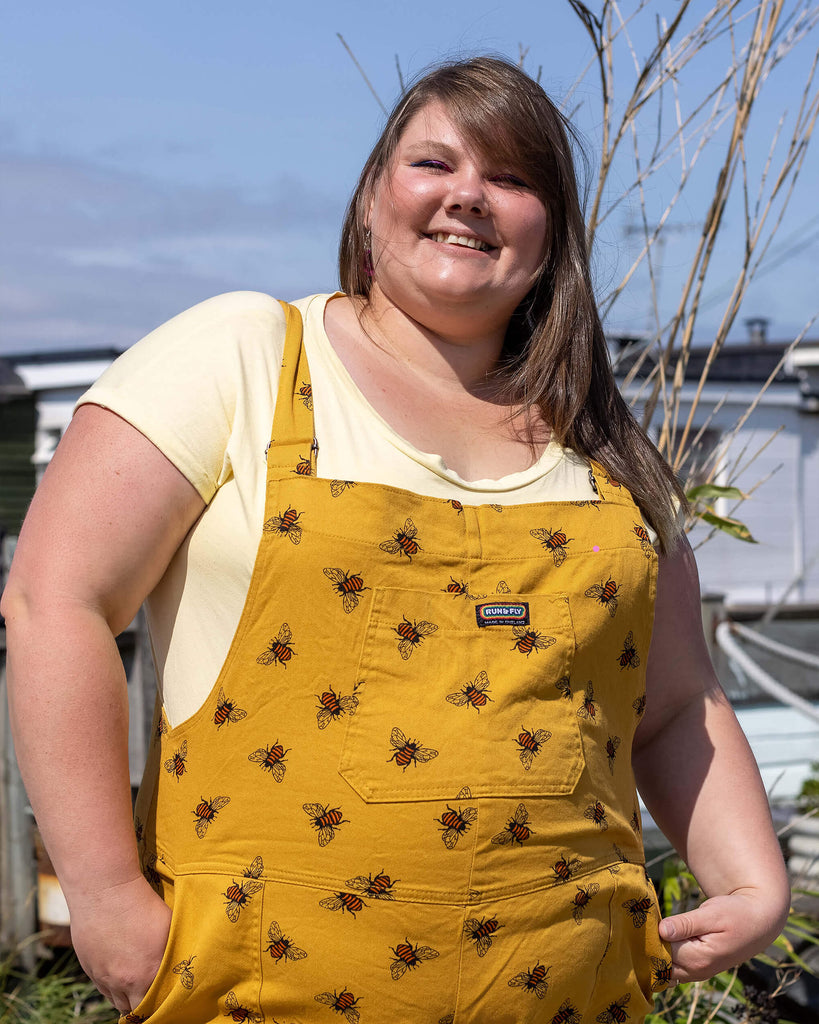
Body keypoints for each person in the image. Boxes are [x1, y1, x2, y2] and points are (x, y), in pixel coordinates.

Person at [2, 56, 789, 1024]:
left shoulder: (604, 446)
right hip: (254, 992)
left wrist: (752, 881)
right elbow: (54, 602)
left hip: (573, 995)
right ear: (371, 201)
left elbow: (673, 701)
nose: (469, 196)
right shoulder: (245, 355)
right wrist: (106, 896)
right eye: (434, 163)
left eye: (511, 178)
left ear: (555, 233)